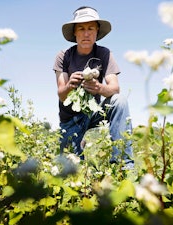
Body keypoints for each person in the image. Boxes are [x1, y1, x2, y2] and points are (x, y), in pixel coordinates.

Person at [53, 6, 134, 168]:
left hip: (94, 112)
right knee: (71, 169)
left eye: (91, 28)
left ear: (97, 31)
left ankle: (123, 166)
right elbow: (62, 95)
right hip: (71, 119)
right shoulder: (64, 56)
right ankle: (78, 144)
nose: (86, 33)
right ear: (74, 32)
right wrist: (70, 85)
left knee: (120, 101)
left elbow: (114, 89)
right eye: (81, 28)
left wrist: (98, 88)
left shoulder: (104, 54)